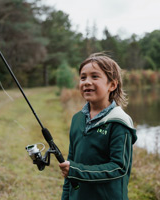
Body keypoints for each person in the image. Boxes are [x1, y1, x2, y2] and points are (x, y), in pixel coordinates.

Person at [59, 53, 137, 200]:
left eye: (95, 77)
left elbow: (119, 167)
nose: (87, 82)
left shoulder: (120, 122)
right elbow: (70, 163)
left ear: (112, 85)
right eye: (83, 77)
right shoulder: (77, 119)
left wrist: (77, 171)